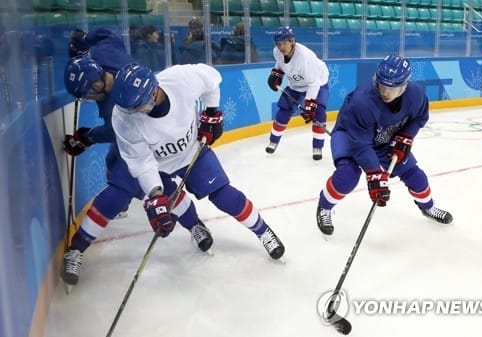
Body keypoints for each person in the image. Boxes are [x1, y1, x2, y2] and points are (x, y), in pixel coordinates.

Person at [61, 29, 213, 287]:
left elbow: (112, 132)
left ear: (97, 83)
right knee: (117, 191)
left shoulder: (116, 110)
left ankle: (194, 224)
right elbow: (109, 35)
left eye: (89, 93)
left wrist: (86, 137)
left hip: (153, 141)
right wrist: (85, 42)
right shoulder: (106, 54)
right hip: (136, 143)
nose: (87, 98)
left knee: (164, 190)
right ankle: (76, 249)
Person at [110, 63, 285, 260]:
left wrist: (211, 113)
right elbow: (140, 161)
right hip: (158, 166)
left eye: (136, 106)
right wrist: (155, 193)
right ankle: (195, 226)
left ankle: (262, 230)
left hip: (193, 149)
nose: (133, 112)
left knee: (224, 195)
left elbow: (212, 79)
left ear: (153, 92)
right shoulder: (123, 116)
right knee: (173, 202)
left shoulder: (180, 79)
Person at [316, 55, 453, 236]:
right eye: (382, 84)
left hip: (384, 139)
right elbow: (361, 145)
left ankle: (428, 207)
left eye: (392, 87)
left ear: (404, 85)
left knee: (416, 177)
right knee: (347, 176)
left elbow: (420, 117)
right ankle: (324, 207)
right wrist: (374, 174)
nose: (385, 92)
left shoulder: (416, 94)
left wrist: (406, 137)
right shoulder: (361, 102)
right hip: (350, 136)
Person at [265, 26, 329, 161]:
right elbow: (281, 63)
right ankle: (273, 141)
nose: (281, 47)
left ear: (292, 41)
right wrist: (277, 73)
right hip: (296, 85)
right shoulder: (277, 52)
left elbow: (313, 83)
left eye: (284, 43)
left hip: (317, 82)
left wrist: (310, 105)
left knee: (319, 112)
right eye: (278, 43)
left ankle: (317, 147)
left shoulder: (306, 57)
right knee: (284, 109)